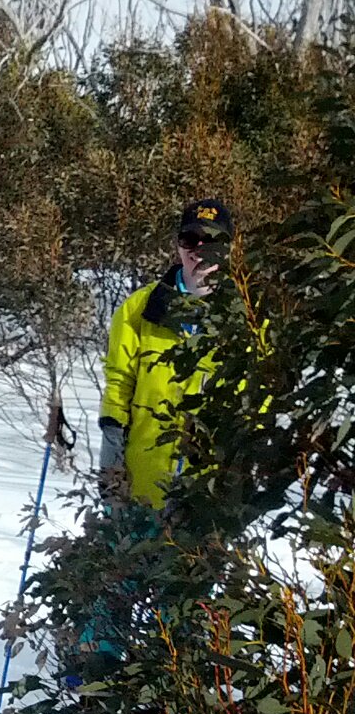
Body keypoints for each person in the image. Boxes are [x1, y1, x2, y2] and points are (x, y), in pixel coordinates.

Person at [99, 197, 233, 512]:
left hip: (210, 496)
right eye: (190, 239)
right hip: (141, 490)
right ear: (178, 246)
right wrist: (111, 464)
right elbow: (118, 385)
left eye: (212, 240)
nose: (199, 249)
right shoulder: (138, 309)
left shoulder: (249, 319)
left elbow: (259, 400)